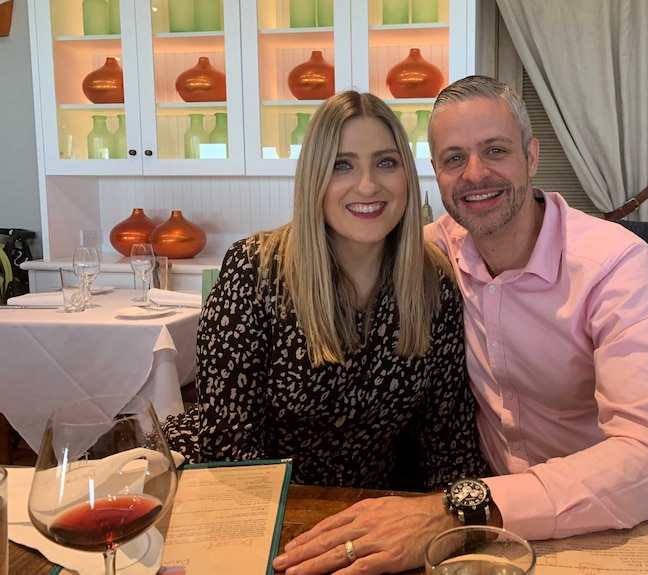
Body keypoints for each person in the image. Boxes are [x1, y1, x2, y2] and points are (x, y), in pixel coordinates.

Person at [272, 76, 648, 575]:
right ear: (434, 172)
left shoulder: (616, 266)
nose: (475, 174)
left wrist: (459, 506)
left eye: (495, 150)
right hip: (470, 533)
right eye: (454, 159)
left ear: (531, 158)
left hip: (597, 524)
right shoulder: (427, 259)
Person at [163, 90, 489, 492]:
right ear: (314, 178)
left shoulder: (434, 282)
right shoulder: (254, 271)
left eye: (386, 163)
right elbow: (230, 451)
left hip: (365, 506)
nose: (368, 185)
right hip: (236, 494)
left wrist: (459, 525)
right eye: (342, 166)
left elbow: (450, 443)